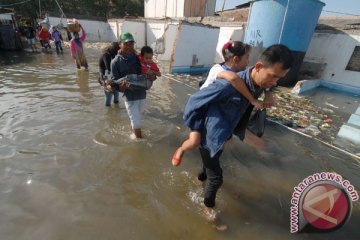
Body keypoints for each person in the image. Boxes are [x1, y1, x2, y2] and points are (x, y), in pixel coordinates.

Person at [183, 44, 293, 218]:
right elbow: (193, 103)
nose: (274, 82)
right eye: (273, 77)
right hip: (209, 136)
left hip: (223, 134)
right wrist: (196, 133)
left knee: (209, 165)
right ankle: (208, 211)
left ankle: (199, 180)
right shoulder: (227, 86)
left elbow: (266, 82)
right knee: (216, 178)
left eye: (279, 79)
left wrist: (268, 91)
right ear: (258, 67)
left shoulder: (258, 81)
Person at [172, 41, 263, 166]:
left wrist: (268, 91)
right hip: (200, 109)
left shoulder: (237, 71)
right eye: (247, 57)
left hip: (214, 111)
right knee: (194, 141)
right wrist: (252, 100)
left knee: (222, 139)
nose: (248, 61)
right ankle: (181, 149)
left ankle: (207, 164)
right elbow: (233, 79)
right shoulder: (218, 69)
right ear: (236, 59)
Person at [111, 32, 157, 139]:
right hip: (129, 96)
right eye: (126, 44)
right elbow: (115, 82)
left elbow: (152, 72)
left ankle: (132, 131)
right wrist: (121, 87)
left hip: (142, 94)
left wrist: (152, 76)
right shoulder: (115, 62)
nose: (129, 46)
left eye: (131, 44)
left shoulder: (139, 58)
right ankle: (140, 143)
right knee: (136, 122)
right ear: (120, 44)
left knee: (137, 118)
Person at [98, 42, 120, 106]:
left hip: (111, 76)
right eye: (118, 50)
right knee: (109, 96)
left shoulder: (113, 54)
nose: (119, 51)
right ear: (115, 49)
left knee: (116, 94)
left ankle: (116, 109)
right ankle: (108, 112)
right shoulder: (106, 55)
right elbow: (109, 68)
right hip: (104, 78)